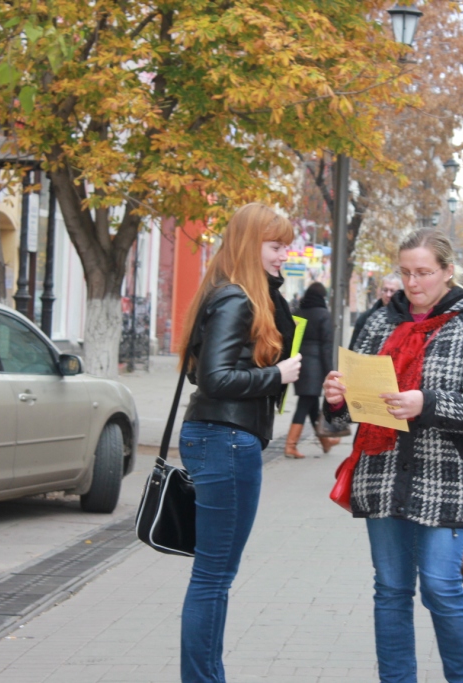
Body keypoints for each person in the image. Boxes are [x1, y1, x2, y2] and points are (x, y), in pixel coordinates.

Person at [322, 229, 463, 683]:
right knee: (391, 589)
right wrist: (335, 398)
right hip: (382, 476)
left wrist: (429, 403)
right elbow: (345, 414)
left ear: (447, 271)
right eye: (405, 272)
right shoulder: (379, 323)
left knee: (442, 588)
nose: (413, 282)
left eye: (423, 272)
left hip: (446, 478)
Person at [177, 203, 302, 682]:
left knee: (213, 576)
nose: (283, 255)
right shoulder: (236, 299)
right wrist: (277, 374)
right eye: (276, 246)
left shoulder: (233, 294)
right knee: (213, 579)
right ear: (252, 245)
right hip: (226, 441)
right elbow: (215, 378)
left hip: (219, 439)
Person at [286, 282, 339, 458]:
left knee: (311, 406)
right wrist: (329, 372)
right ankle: (290, 445)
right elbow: (326, 347)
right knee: (304, 404)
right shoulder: (323, 315)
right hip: (315, 367)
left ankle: (325, 442)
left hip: (299, 364)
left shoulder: (298, 313)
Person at [350, 273, 402, 351]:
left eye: (392, 291)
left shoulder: (405, 319)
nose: (388, 294)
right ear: (381, 291)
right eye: (385, 290)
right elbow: (352, 350)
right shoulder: (366, 318)